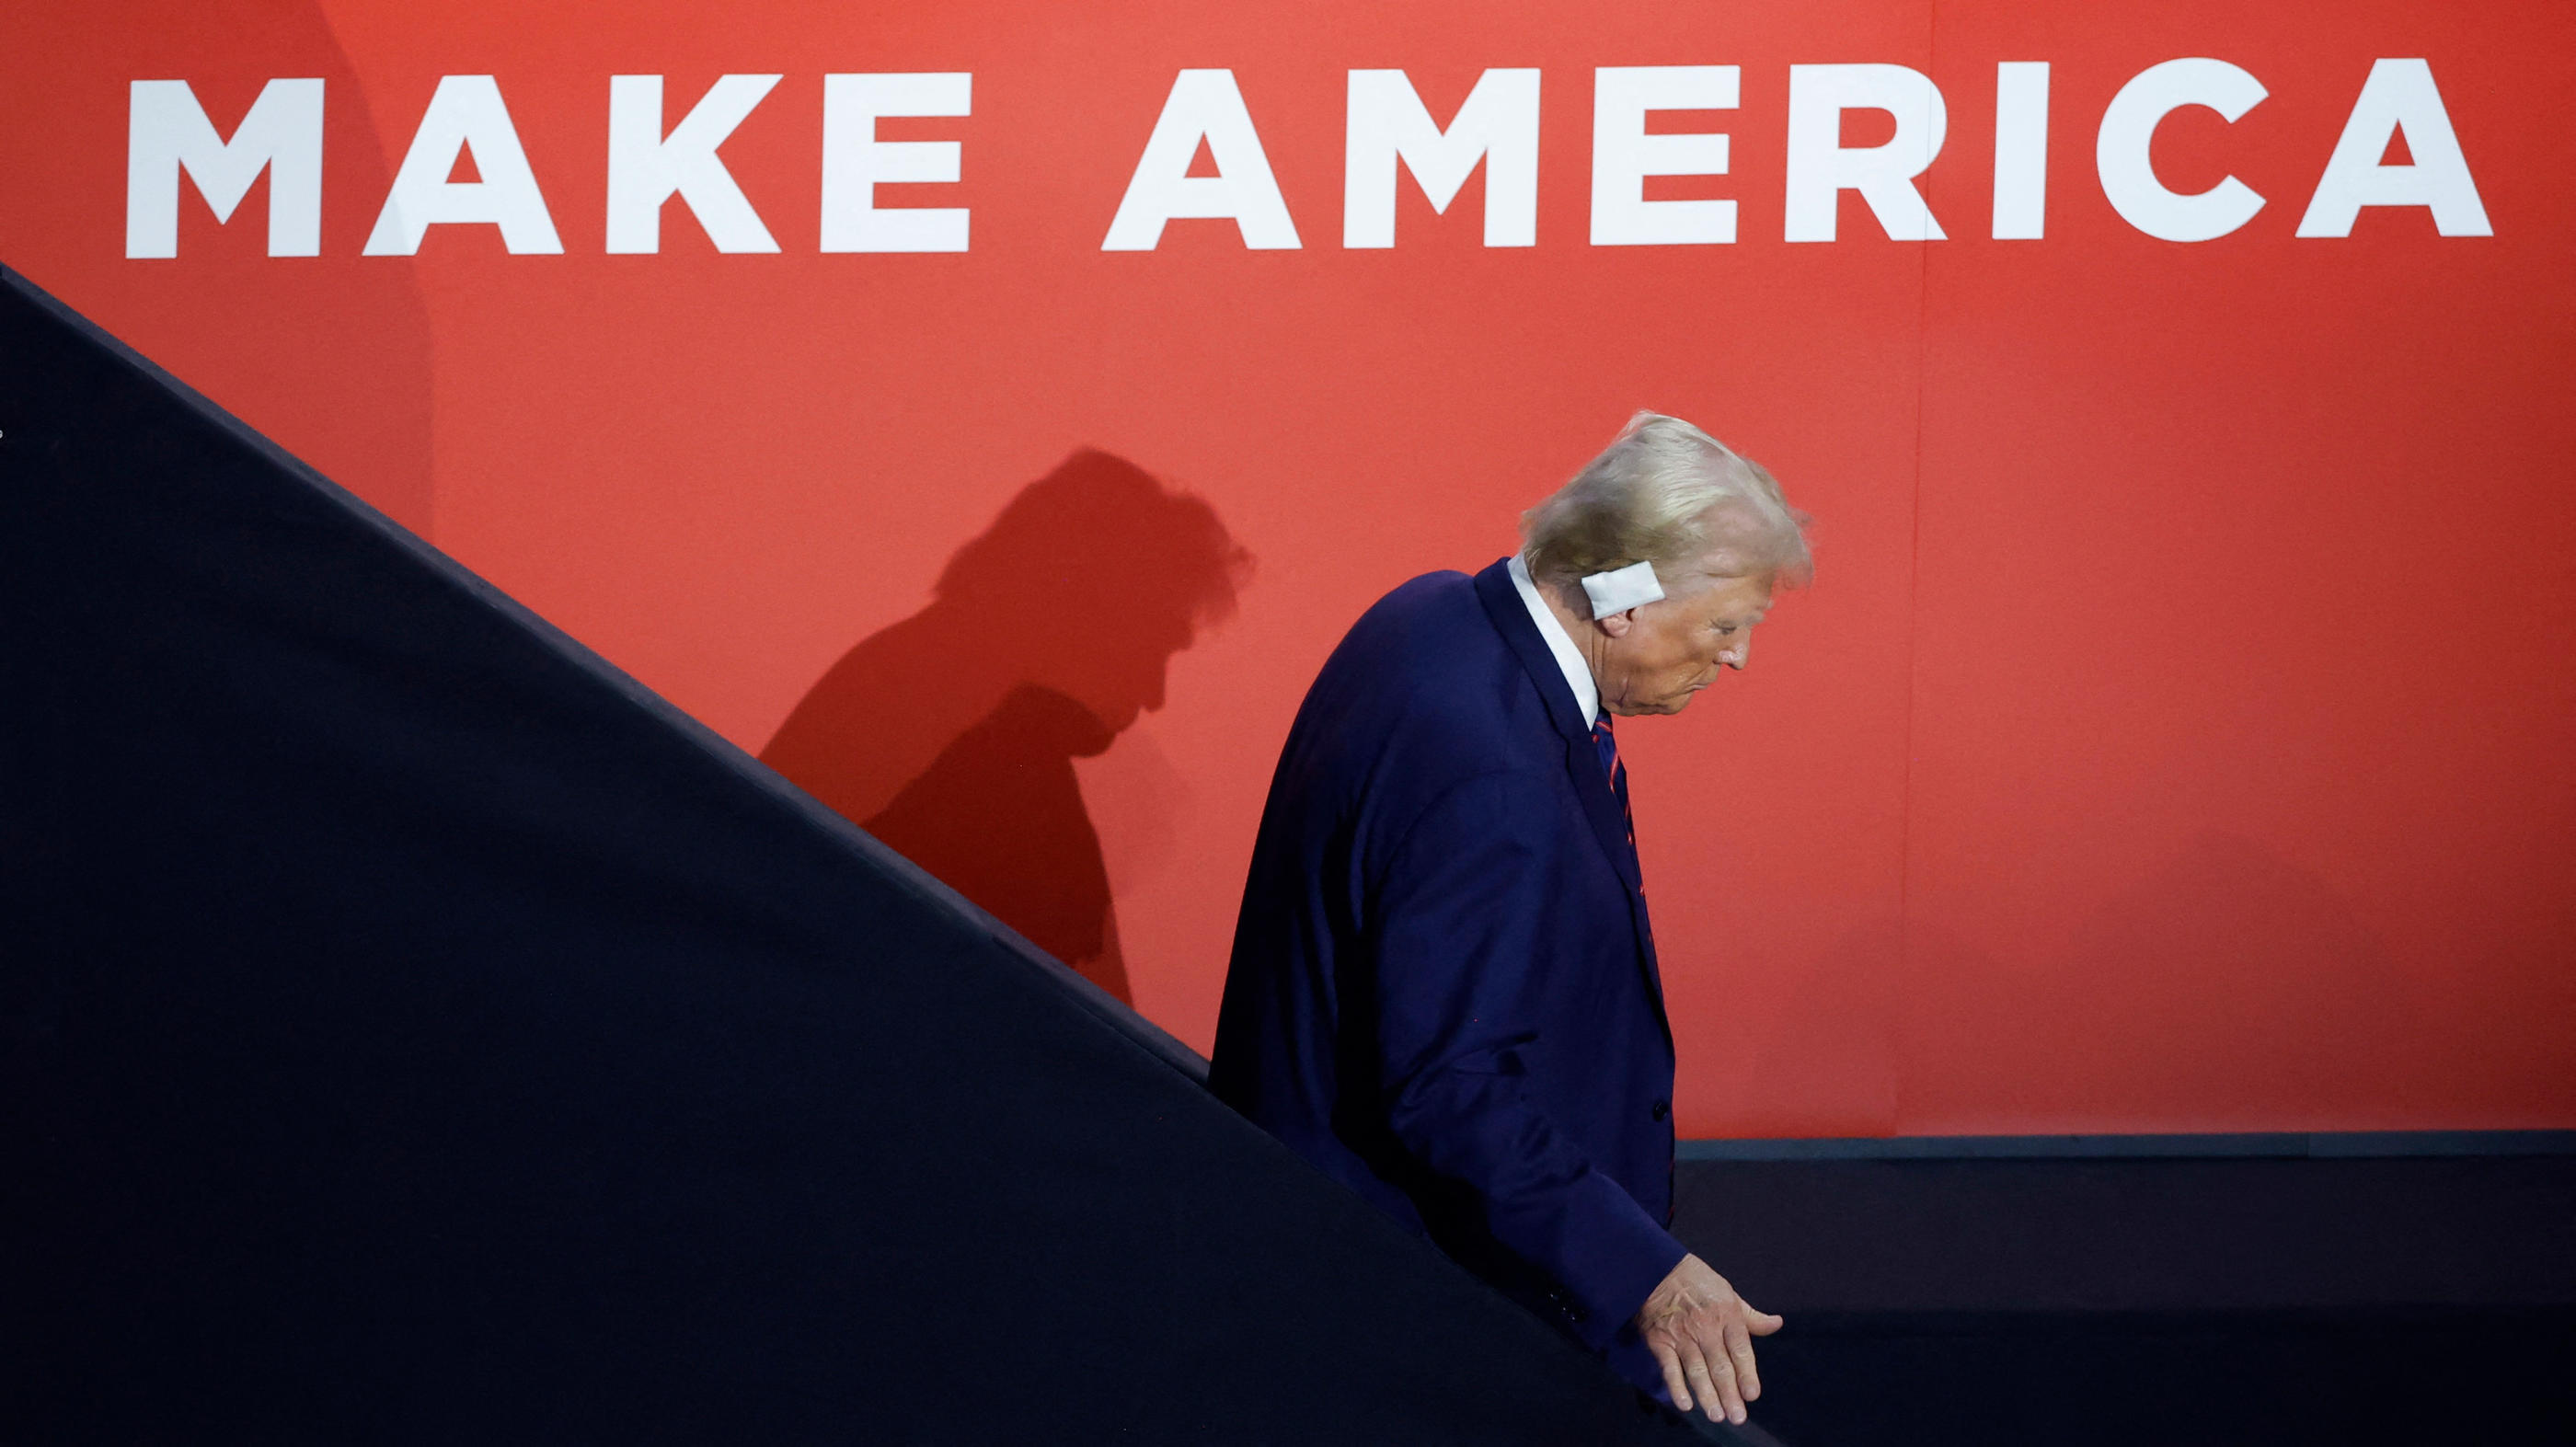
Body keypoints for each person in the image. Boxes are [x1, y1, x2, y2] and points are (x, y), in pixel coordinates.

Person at [1210, 411, 1811, 1427]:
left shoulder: (1433, 615)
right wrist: (1643, 1274)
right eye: (1722, 625)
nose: (1739, 657)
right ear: (1624, 597)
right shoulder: (1488, 766)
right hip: (1419, 1305)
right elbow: (1445, 1083)